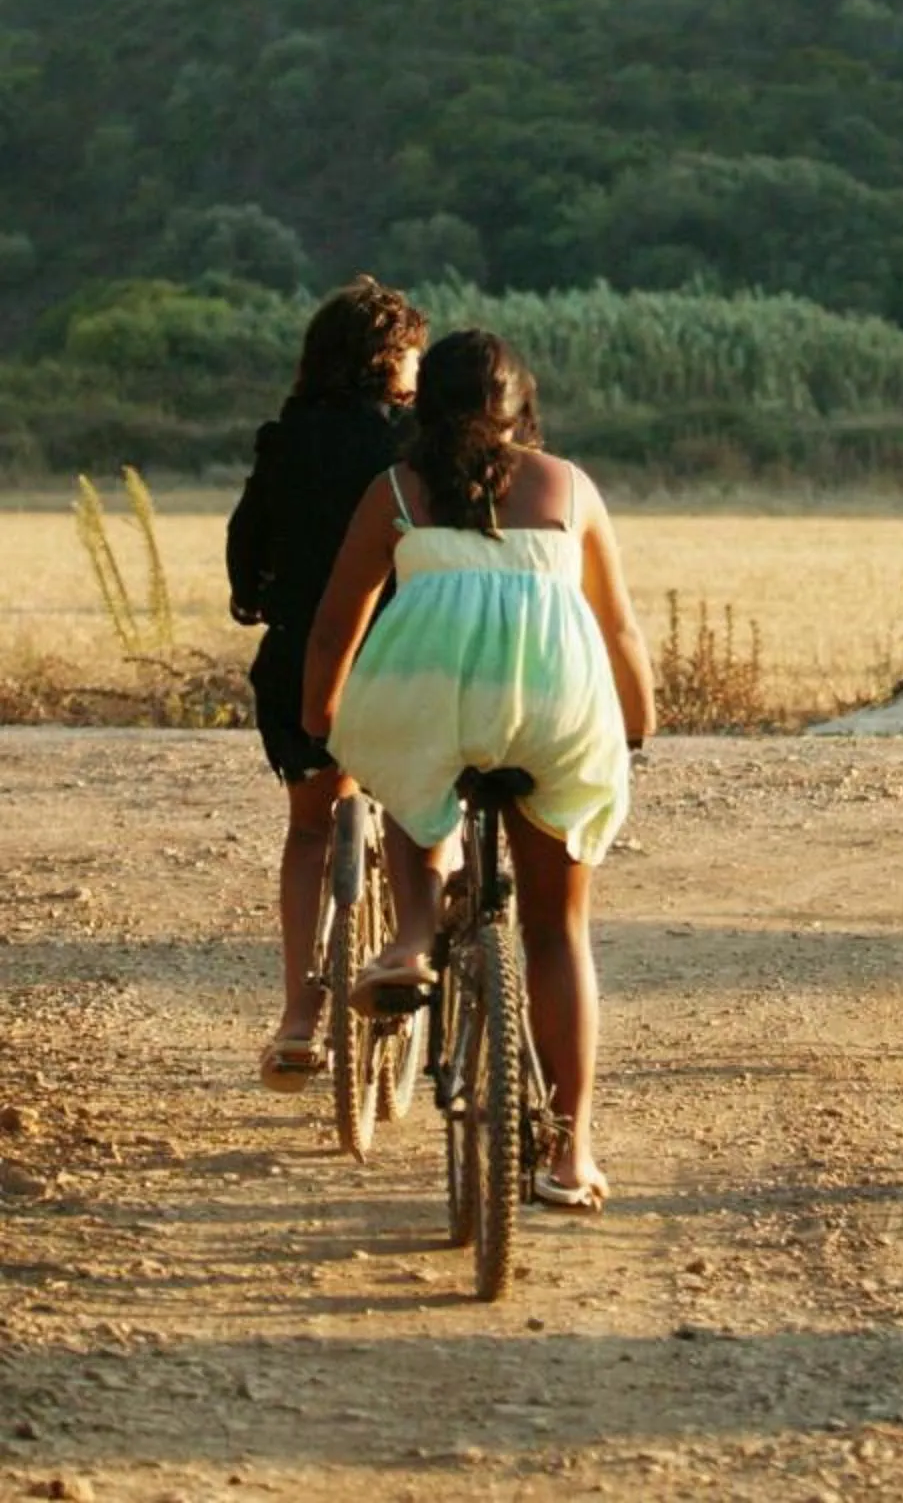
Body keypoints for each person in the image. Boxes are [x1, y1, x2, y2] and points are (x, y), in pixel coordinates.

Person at [301, 328, 656, 1211]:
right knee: (556, 932)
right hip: (556, 710)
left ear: (423, 406)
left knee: (408, 775)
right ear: (522, 408)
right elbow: (616, 625)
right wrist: (637, 720)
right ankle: (571, 1152)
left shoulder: (395, 490)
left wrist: (322, 717)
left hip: (432, 701)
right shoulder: (570, 486)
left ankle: (413, 934)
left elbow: (338, 619)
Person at [227, 273, 427, 1090]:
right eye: (412, 355)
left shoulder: (288, 439)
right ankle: (412, 946)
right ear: (389, 359)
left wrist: (258, 597)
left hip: (303, 663)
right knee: (417, 806)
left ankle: (297, 1022)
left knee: (310, 831)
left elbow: (247, 547)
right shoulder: (415, 444)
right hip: (407, 658)